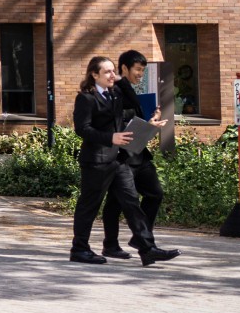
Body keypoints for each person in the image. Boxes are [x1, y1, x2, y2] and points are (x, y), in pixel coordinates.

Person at [70, 56, 180, 265]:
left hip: (118, 160)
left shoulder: (114, 95)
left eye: (114, 71)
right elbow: (82, 129)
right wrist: (110, 138)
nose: (113, 76)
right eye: (107, 72)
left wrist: (148, 125)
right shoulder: (86, 98)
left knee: (131, 203)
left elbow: (128, 114)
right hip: (96, 160)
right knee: (89, 205)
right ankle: (79, 249)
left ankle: (147, 249)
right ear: (94, 75)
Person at [101, 50, 175, 259]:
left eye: (143, 70)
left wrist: (151, 120)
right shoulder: (115, 89)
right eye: (138, 70)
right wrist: (143, 122)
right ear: (124, 68)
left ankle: (135, 239)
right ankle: (114, 244)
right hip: (121, 155)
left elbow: (133, 118)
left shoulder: (131, 90)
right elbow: (114, 119)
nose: (140, 74)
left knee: (154, 193)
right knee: (117, 201)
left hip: (138, 152)